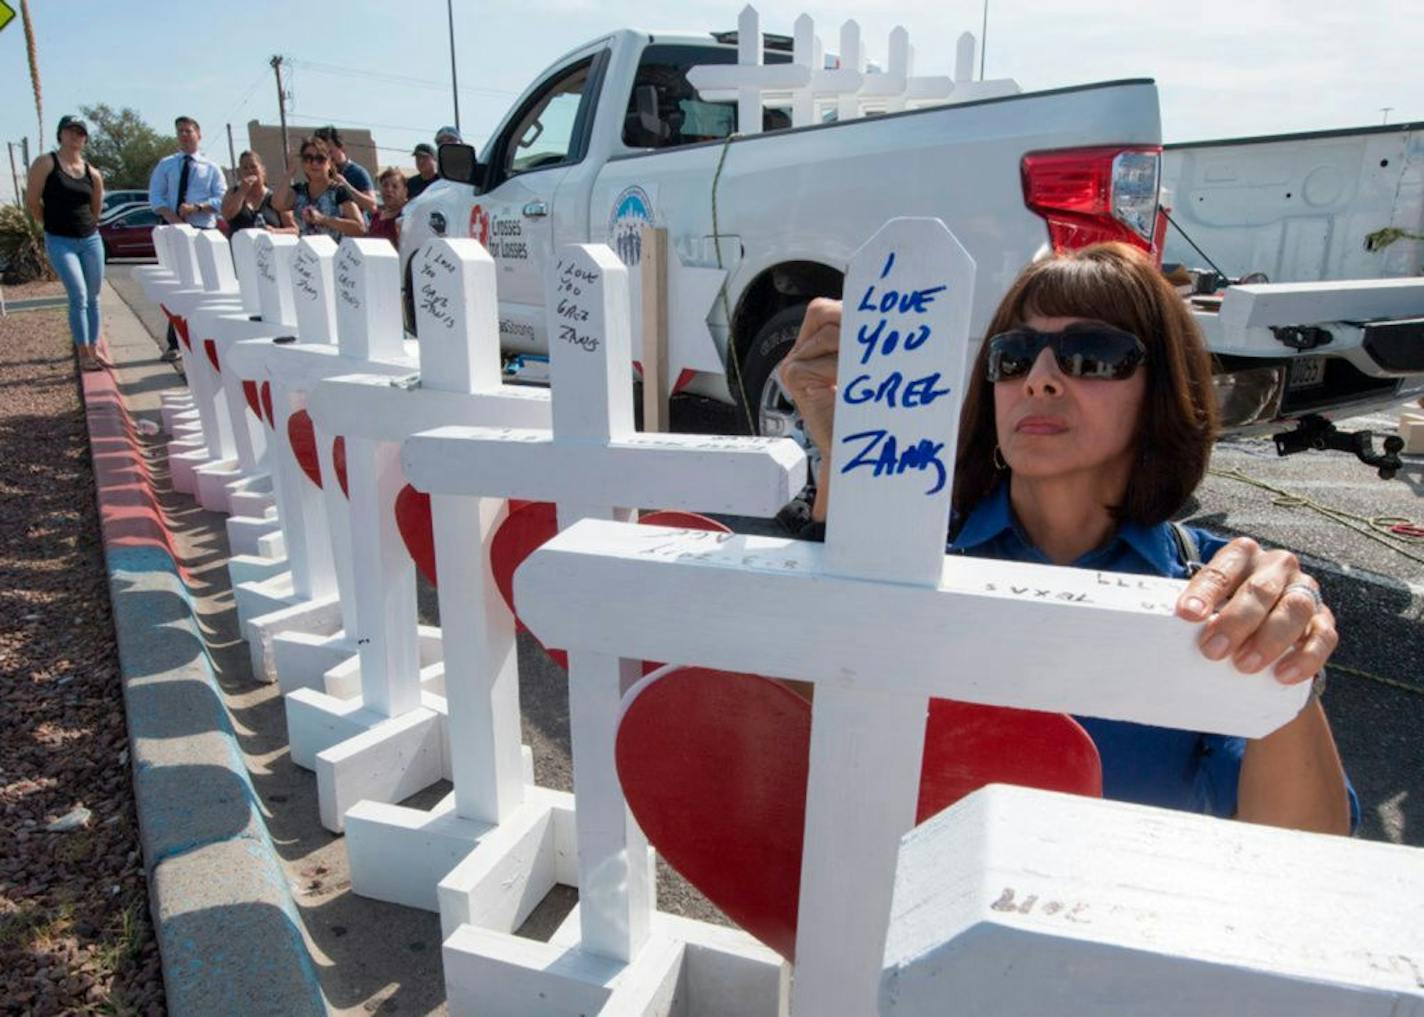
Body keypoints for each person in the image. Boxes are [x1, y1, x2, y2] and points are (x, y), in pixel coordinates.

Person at [778, 242, 1356, 836]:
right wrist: (849, 455)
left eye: (1091, 354)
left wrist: (1285, 664)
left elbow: (1304, 847)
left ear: (1163, 390)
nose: (1041, 380)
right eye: (1014, 355)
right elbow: (791, 741)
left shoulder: (1218, 589)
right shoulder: (909, 551)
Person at [25, 115, 105, 372]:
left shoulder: (92, 173)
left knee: (93, 297)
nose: (75, 136)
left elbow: (95, 208)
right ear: (60, 134)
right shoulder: (46, 163)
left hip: (90, 239)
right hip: (60, 240)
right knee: (78, 294)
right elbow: (33, 201)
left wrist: (87, 227)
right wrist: (50, 224)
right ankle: (82, 353)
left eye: (80, 132)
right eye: (70, 131)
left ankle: (94, 348)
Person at [148, 115, 227, 360]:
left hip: (202, 231)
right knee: (178, 287)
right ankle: (175, 342)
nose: (184, 135)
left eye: (189, 131)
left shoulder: (211, 168)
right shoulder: (167, 165)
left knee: (204, 286)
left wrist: (198, 207)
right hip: (174, 230)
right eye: (180, 131)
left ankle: (205, 340)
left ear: (198, 134)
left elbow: (222, 200)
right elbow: (156, 197)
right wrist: (174, 218)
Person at [272, 137, 366, 241]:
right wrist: (290, 172)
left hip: (332, 254)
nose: (314, 163)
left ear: (329, 163)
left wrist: (323, 219)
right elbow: (277, 204)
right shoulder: (299, 191)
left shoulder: (338, 191)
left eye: (320, 158)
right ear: (302, 162)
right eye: (308, 158)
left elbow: (360, 228)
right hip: (304, 255)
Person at [219, 150, 297, 234]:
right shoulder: (232, 193)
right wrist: (242, 191)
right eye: (245, 168)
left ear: (263, 170)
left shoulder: (275, 198)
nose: (250, 171)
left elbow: (294, 230)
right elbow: (227, 215)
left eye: (253, 167)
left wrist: (275, 231)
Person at [313, 126, 377, 217]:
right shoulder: (323, 175)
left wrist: (346, 186)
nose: (328, 158)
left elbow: (372, 206)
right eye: (323, 155)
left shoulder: (357, 173)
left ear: (342, 148)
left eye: (330, 152)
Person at [366, 168, 407, 247]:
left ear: (405, 191)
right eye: (385, 185)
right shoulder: (376, 217)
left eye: (395, 186)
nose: (389, 189)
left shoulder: (407, 217)